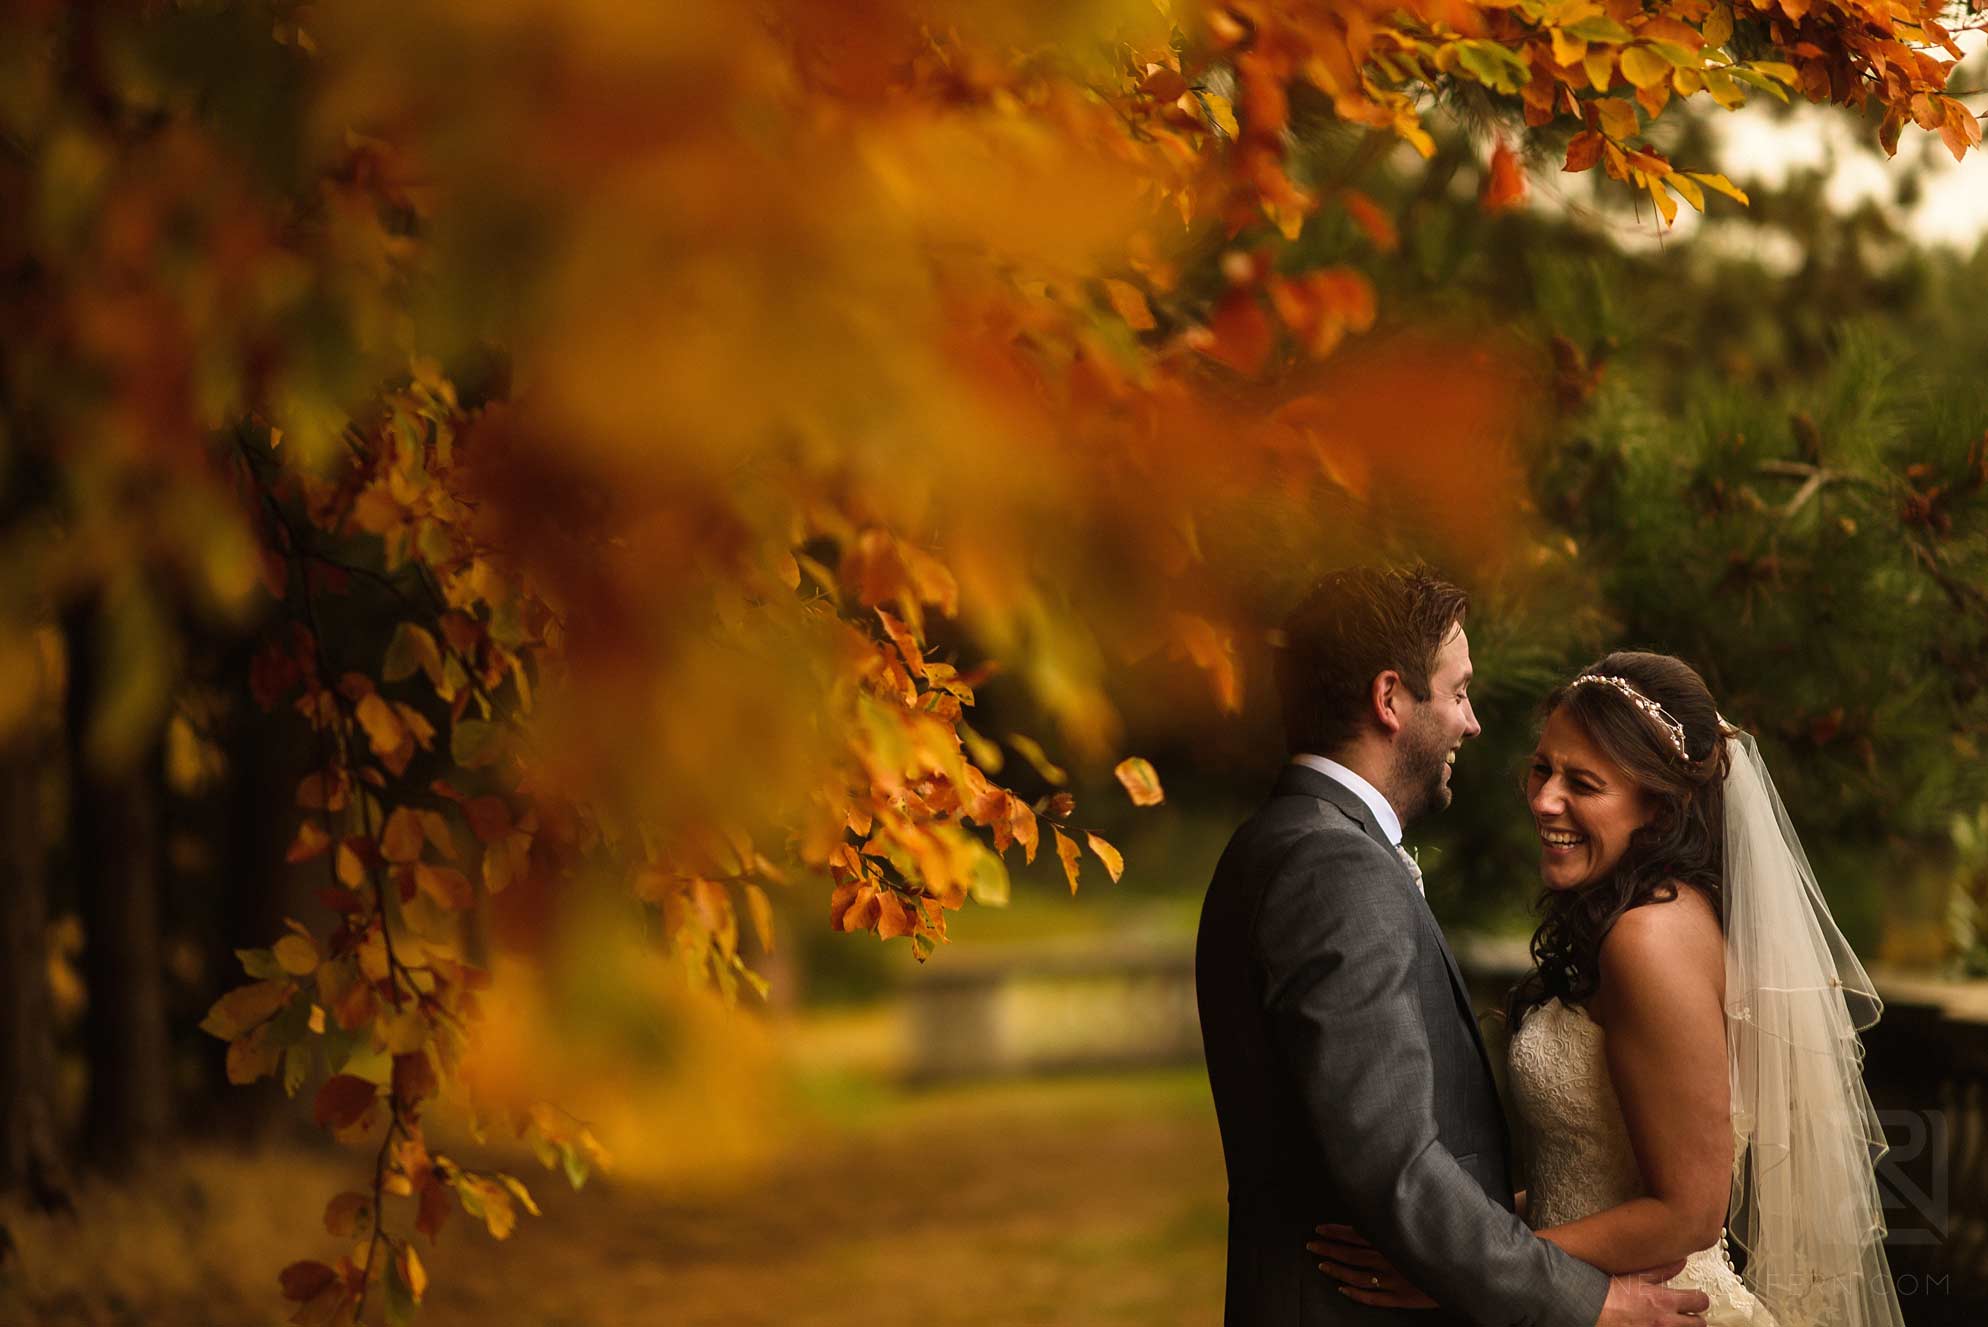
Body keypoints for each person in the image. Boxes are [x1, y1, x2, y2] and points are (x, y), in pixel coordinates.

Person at [1310, 650, 1904, 1327]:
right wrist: (1462, 1235)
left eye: (1583, 783)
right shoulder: (1636, 918)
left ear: (1656, 806)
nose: (1543, 799)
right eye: (1542, 767)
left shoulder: (1650, 939)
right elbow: (1589, 1176)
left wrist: (1468, 1271)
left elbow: (1689, 1210)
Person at [1196, 567, 1710, 1327]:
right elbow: (1397, 1168)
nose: (1472, 724)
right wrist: (1588, 1299)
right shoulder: (1334, 866)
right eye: (1459, 692)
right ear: (1390, 699)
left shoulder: (1283, 840)